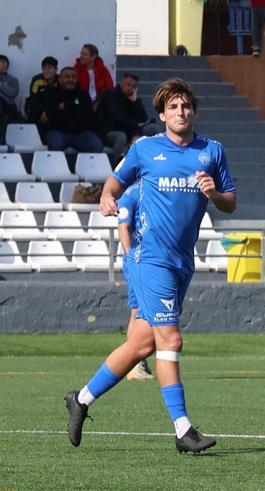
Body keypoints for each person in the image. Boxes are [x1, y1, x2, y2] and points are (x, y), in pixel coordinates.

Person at [65, 78, 237, 453]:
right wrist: (107, 198)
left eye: (185, 105)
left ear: (194, 111)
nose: (180, 112)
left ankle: (80, 399)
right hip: (149, 258)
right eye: (172, 107)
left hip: (181, 262)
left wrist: (214, 194)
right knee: (170, 340)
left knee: (141, 344)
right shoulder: (145, 149)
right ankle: (183, 430)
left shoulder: (212, 151)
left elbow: (230, 203)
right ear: (162, 115)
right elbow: (113, 184)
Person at [116, 182, 154, 381]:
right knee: (137, 310)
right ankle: (134, 365)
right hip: (138, 260)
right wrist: (130, 257)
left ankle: (140, 361)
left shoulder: (156, 189)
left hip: (155, 260)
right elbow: (123, 227)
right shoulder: (131, 194)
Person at [41, 67, 103, 153]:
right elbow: (51, 116)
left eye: (73, 77)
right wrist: (75, 109)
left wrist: (66, 107)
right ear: (60, 79)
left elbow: (88, 116)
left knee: (96, 144)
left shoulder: (83, 94)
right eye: (67, 77)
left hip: (81, 133)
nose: (70, 79)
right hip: (58, 132)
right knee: (55, 144)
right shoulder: (50, 93)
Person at [98, 72, 156, 153]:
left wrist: (135, 102)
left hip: (129, 130)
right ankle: (118, 160)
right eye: (128, 85)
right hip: (110, 131)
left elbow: (143, 118)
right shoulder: (110, 94)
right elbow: (116, 117)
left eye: (134, 86)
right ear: (122, 83)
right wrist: (136, 124)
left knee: (151, 129)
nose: (130, 88)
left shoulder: (132, 98)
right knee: (122, 137)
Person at [25, 56, 57, 123]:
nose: (46, 71)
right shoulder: (37, 79)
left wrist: (47, 112)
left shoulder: (60, 79)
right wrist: (43, 111)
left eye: (49, 68)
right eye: (44, 68)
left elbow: (59, 98)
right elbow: (34, 97)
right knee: (34, 111)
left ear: (56, 69)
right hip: (38, 107)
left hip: (52, 108)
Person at [0, 55, 20, 140]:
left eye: (2, 62)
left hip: (9, 107)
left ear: (5, 64)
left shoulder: (13, 80)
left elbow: (13, 93)